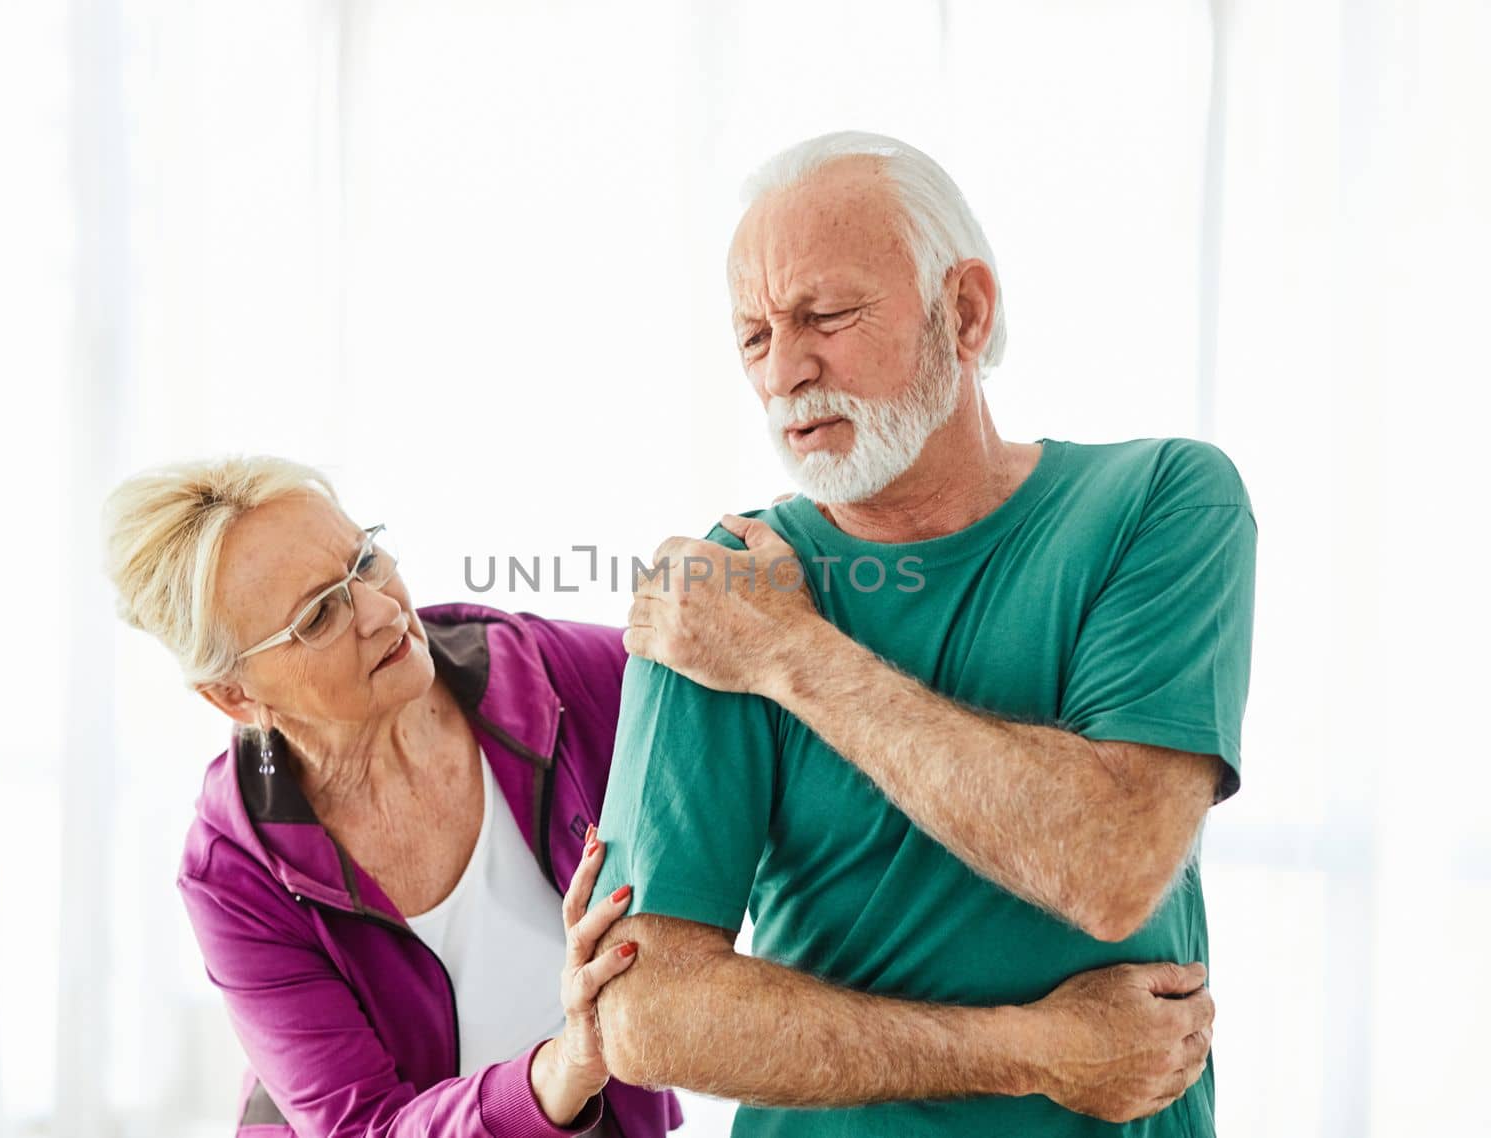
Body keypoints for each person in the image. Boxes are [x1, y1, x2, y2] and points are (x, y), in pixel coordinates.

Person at [590, 130, 1254, 1136]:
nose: (785, 372)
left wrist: (793, 653)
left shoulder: (1160, 501)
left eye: (824, 315)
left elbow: (1111, 861)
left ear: (965, 310)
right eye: (754, 336)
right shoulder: (720, 589)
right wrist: (1033, 1050)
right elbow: (646, 1015)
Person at [100, 456, 683, 1137]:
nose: (382, 612)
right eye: (319, 616)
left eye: (366, 562)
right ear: (236, 696)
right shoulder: (231, 872)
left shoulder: (558, 681)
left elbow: (747, 723)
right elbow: (363, 1127)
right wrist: (555, 1074)